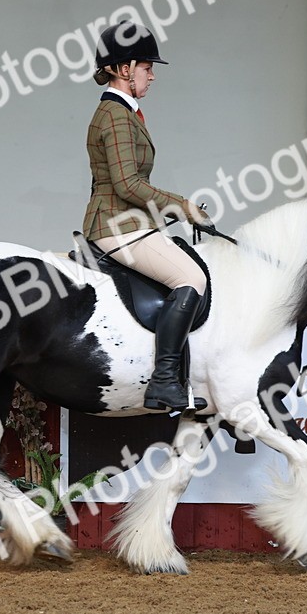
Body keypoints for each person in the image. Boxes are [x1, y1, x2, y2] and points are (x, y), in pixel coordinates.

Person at [82, 21, 210, 413]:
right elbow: (127, 185)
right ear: (124, 69)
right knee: (192, 277)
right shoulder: (116, 117)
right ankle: (166, 380)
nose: (152, 76)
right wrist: (184, 207)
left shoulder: (126, 114)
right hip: (115, 224)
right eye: (146, 68)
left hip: (129, 222)